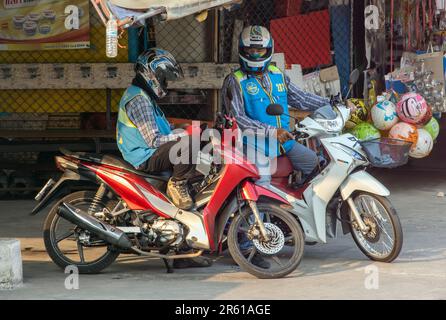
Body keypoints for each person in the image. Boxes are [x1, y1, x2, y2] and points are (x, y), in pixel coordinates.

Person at [222, 25, 331, 183]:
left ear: (268, 50)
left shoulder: (277, 74)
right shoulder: (235, 80)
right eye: (250, 50)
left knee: (318, 167)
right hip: (255, 145)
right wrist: (272, 131)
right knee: (262, 182)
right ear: (242, 50)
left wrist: (331, 102)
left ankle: (297, 205)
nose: (255, 54)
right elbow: (238, 118)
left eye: (259, 51)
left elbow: (301, 98)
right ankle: (259, 208)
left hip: (284, 143)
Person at [117, 48, 199, 210]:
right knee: (187, 143)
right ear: (152, 75)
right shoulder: (139, 99)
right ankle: (177, 185)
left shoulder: (144, 96)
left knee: (193, 139)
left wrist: (184, 129)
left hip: (149, 152)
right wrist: (185, 134)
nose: (165, 84)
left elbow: (164, 129)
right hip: (144, 157)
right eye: (164, 79)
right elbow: (154, 140)